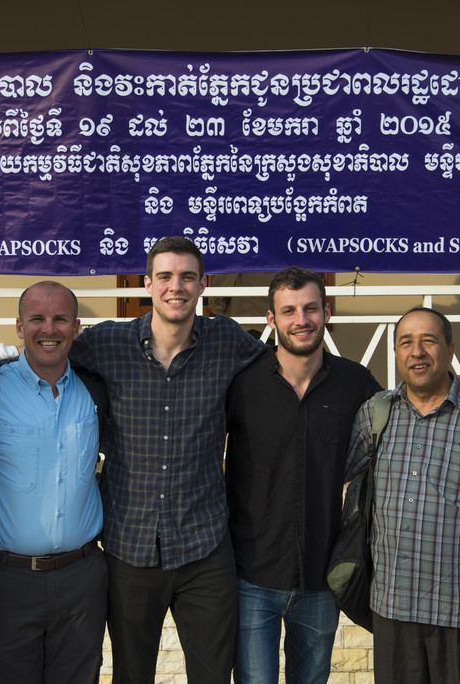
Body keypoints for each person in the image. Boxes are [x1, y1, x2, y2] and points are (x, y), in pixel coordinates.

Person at [69, 236, 268, 683]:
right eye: (164, 276)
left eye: (186, 277)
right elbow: (45, 355)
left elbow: (288, 371)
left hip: (205, 546)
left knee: (214, 675)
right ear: (147, 283)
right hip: (128, 547)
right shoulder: (107, 344)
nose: (175, 287)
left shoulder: (227, 340)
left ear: (203, 285)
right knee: (131, 676)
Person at [225, 267, 382, 684]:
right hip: (251, 573)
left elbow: (405, 421)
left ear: (326, 312)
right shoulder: (241, 383)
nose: (301, 320)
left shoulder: (356, 384)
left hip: (320, 574)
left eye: (311, 308)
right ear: (271, 319)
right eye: (289, 311)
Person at [345, 307, 460, 684]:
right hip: (393, 609)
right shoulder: (376, 414)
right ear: (396, 353)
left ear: (450, 349)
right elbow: (332, 471)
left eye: (429, 341)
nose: (417, 351)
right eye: (406, 342)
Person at [0, 281, 109, 684]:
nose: (49, 329)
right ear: (18, 326)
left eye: (60, 319)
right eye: (37, 319)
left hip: (81, 580)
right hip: (5, 582)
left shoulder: (96, 390)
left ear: (77, 328)